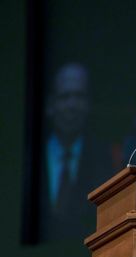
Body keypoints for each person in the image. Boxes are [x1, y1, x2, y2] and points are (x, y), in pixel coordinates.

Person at [39, 63, 113, 242]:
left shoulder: (106, 158)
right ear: (50, 105)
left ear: (88, 104)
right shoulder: (27, 160)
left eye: (79, 96)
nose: (72, 105)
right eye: (65, 97)